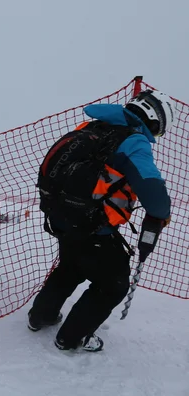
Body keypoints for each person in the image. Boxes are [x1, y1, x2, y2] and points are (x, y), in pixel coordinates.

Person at [28, 89, 174, 352]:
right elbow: (153, 192)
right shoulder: (134, 141)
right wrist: (161, 214)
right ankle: (71, 337)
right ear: (154, 121)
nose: (155, 137)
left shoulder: (92, 127)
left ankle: (40, 316)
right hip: (92, 227)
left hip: (61, 217)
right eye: (158, 131)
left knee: (70, 266)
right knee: (113, 284)